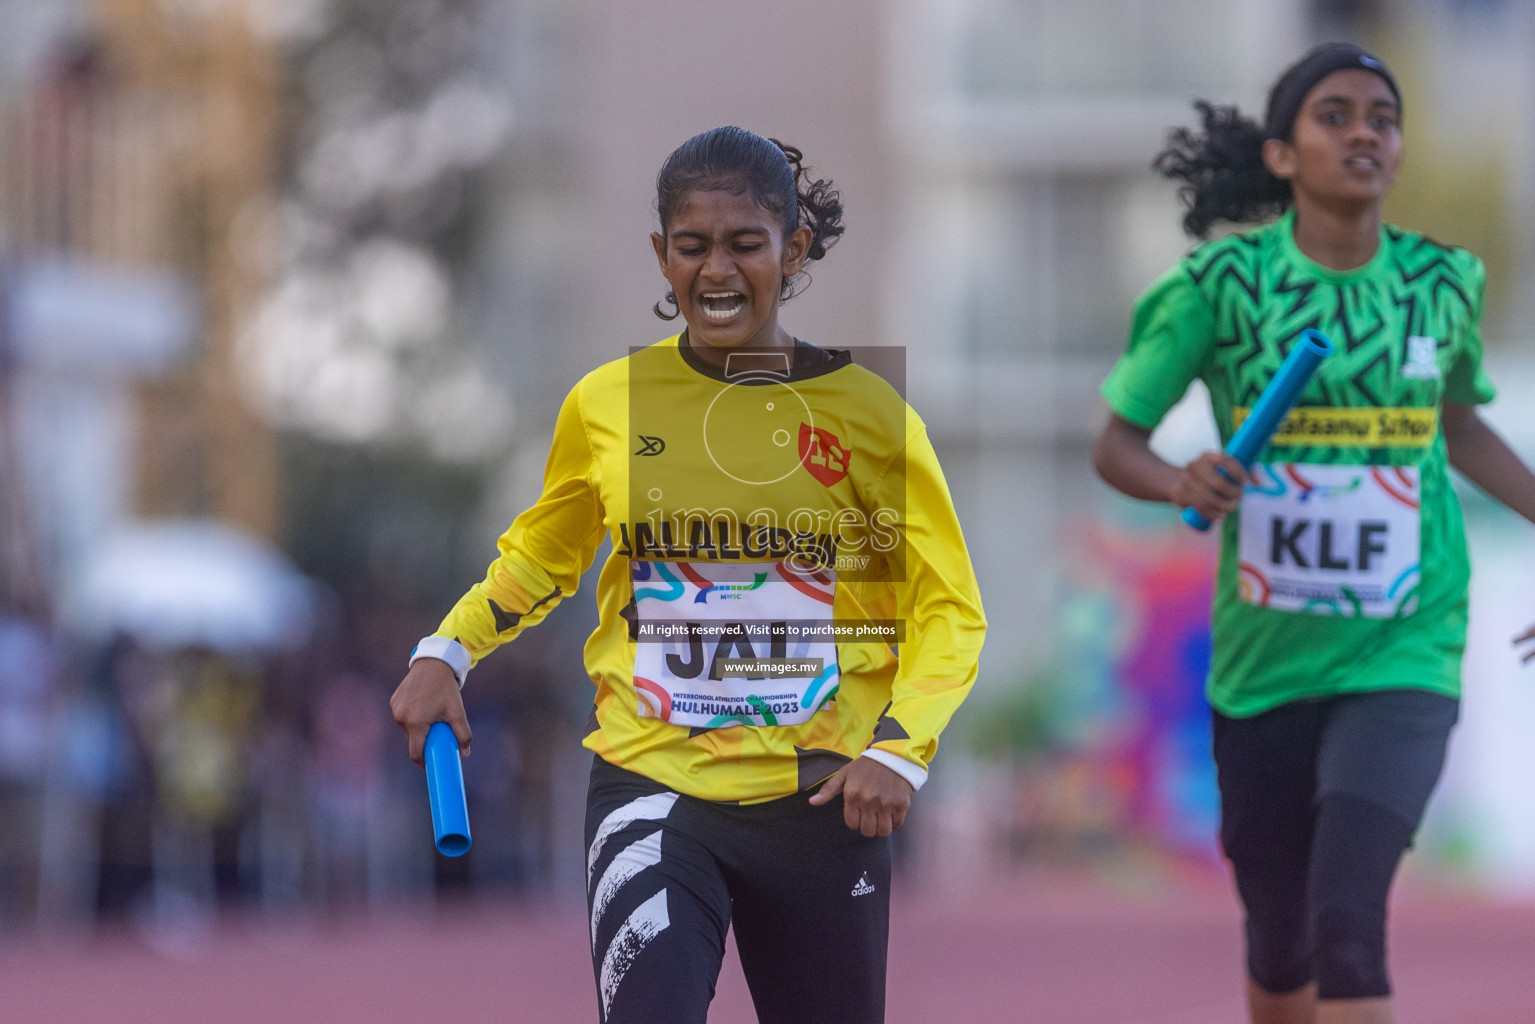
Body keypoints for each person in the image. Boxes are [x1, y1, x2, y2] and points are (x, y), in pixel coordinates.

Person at [390, 126, 986, 1024]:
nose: (717, 271)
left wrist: (901, 748)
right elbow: (546, 554)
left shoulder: (868, 416)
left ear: (793, 250)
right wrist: (449, 649)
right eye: (692, 245)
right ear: (660, 255)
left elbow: (944, 606)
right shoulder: (607, 403)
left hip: (825, 798)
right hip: (653, 786)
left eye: (745, 244)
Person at [1092, 43, 1535, 1024]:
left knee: (1345, 921)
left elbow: (1455, 425)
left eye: (1381, 117)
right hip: (1263, 664)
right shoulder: (1219, 287)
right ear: (1281, 154)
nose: (1363, 132)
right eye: (1333, 115)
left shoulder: (1440, 283)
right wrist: (1181, 476)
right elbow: (1114, 443)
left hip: (1404, 642)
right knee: (1280, 940)